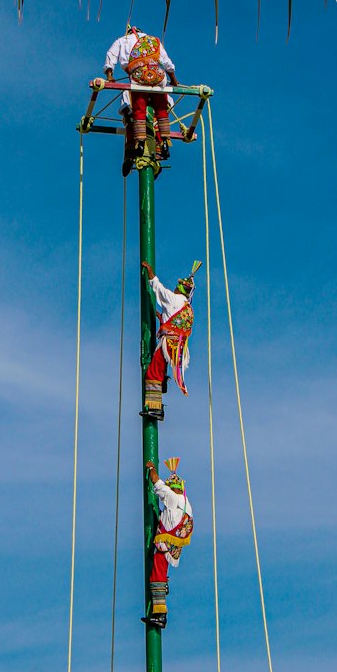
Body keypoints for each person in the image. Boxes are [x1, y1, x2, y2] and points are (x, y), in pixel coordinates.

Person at [102, 23, 177, 166]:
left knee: (138, 111)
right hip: (158, 77)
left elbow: (110, 57)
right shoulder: (153, 40)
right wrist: (173, 80)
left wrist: (110, 76)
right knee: (161, 110)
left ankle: (139, 143)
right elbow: (167, 62)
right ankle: (164, 142)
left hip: (138, 78)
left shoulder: (121, 41)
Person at [140, 259, 201, 419]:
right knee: (159, 368)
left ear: (179, 288)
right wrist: (162, 319)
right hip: (178, 346)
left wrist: (150, 271)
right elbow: (174, 322)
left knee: (152, 373)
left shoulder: (175, 299)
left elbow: (157, 287)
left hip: (169, 344)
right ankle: (163, 385)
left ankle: (154, 408)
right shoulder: (187, 307)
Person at [145, 458, 193, 625]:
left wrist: (151, 467)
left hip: (164, 547)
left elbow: (156, 482)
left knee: (155, 577)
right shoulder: (187, 504)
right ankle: (165, 585)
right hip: (173, 548)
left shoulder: (172, 499)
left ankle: (160, 614)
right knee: (160, 574)